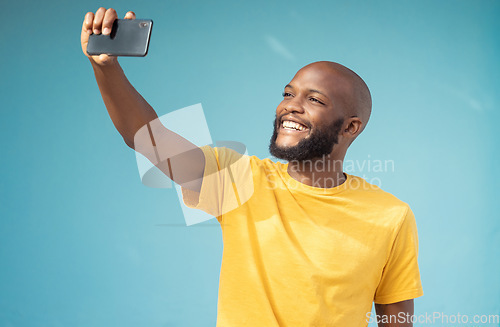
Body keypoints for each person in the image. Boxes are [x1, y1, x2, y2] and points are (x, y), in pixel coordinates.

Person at [81, 8, 423, 327]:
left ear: (350, 127)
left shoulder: (390, 215)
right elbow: (149, 139)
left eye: (314, 100)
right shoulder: (240, 178)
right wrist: (105, 68)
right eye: (288, 94)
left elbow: (396, 322)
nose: (291, 107)